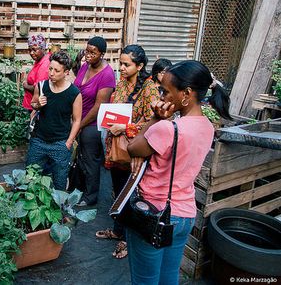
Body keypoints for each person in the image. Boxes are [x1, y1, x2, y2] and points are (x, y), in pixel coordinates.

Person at [127, 60, 231, 284]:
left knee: (145, 280)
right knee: (169, 277)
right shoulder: (207, 127)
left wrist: (156, 117)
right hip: (184, 214)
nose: (162, 97)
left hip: (154, 213)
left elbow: (133, 147)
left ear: (187, 93)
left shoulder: (167, 128)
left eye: (165, 91)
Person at [95, 44, 159, 259]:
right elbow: (115, 111)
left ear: (139, 66)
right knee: (118, 190)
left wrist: (125, 127)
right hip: (116, 148)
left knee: (131, 195)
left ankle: (126, 240)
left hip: (135, 151)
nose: (120, 68)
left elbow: (154, 122)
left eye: (126, 64)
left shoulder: (149, 89)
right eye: (120, 63)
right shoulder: (121, 84)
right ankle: (117, 230)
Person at [25, 51, 82, 190]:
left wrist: (68, 143)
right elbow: (33, 104)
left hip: (60, 143)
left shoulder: (74, 93)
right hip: (39, 140)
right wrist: (38, 104)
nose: (51, 73)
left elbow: (77, 120)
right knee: (31, 178)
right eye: (50, 68)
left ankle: (58, 209)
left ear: (66, 72)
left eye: (56, 70)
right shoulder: (41, 86)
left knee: (59, 182)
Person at [73, 36, 116, 206]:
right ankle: (79, 189)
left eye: (93, 52)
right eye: (87, 50)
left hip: (92, 123)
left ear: (102, 54)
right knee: (80, 158)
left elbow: (99, 106)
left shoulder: (107, 75)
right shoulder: (85, 66)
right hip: (78, 119)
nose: (88, 55)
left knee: (91, 160)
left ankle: (91, 196)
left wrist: (79, 125)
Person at [22, 34, 51, 112]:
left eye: (35, 50)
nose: (31, 53)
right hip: (34, 105)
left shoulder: (45, 64)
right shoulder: (39, 60)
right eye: (30, 50)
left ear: (43, 48)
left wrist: (25, 85)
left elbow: (39, 88)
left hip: (37, 107)